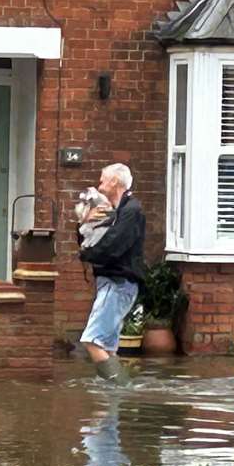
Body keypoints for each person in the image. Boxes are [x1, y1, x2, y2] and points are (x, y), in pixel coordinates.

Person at [77, 163, 146, 385]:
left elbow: (113, 246)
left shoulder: (131, 211)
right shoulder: (114, 211)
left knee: (92, 340)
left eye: (102, 180)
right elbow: (89, 240)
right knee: (106, 346)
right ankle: (112, 403)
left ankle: (121, 388)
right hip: (111, 282)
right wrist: (86, 221)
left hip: (119, 282)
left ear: (115, 181)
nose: (99, 184)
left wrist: (87, 254)